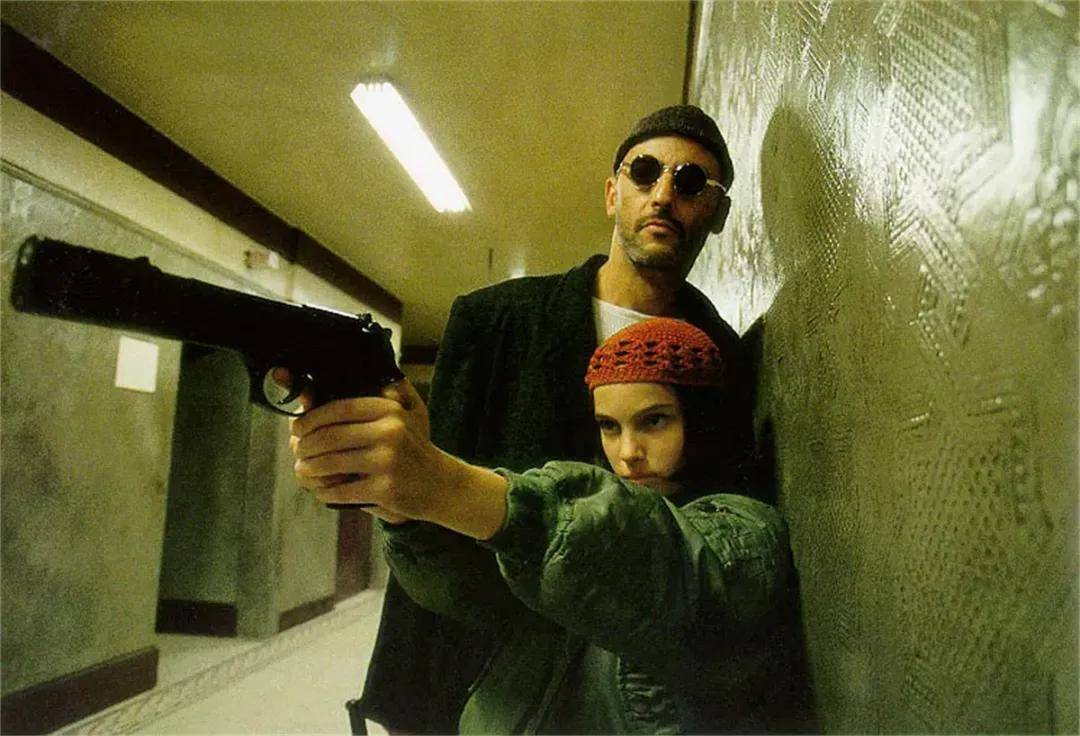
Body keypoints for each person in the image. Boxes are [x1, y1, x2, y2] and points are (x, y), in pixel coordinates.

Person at [323, 104, 754, 733]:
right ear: (612, 193)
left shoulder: (725, 362)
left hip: (618, 697)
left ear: (714, 212)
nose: (663, 194)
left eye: (690, 183)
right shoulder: (495, 321)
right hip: (475, 674)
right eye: (644, 172)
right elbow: (425, 497)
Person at [290, 317, 793, 733]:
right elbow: (474, 584)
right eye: (609, 426)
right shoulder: (588, 523)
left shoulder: (745, 531)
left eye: (655, 420)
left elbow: (654, 557)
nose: (628, 453)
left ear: (703, 420)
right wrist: (400, 509)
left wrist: (445, 485)